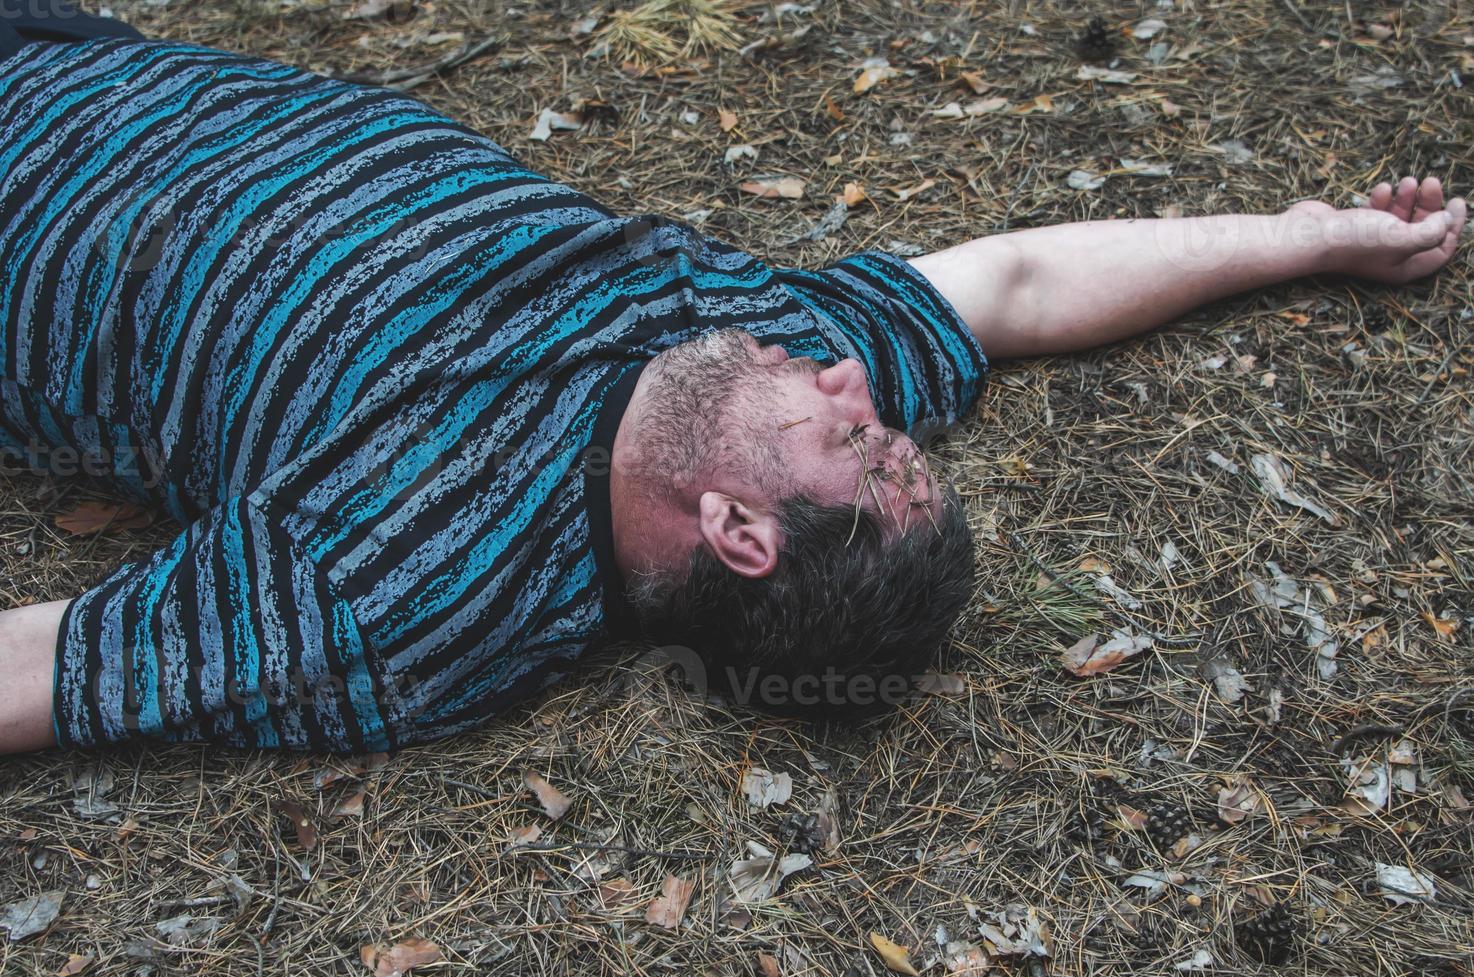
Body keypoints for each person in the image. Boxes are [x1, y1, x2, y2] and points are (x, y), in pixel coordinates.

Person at [0, 4, 1464, 755]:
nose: (847, 376)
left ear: (740, 532)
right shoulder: (735, 337)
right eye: (877, 418)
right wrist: (1306, 237)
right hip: (99, 48)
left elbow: (40, 674)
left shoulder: (397, 603)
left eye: (860, 442)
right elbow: (1013, 287)